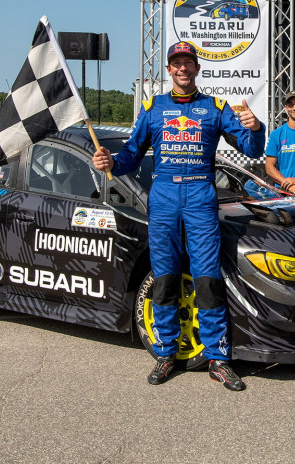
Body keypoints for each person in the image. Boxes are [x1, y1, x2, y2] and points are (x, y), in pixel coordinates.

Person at [92, 41, 265, 391]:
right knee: (166, 277)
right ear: (169, 70)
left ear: (197, 69)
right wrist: (110, 162)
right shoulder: (153, 107)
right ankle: (166, 353)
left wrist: (256, 126)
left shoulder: (215, 107)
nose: (183, 68)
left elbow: (251, 149)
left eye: (189, 63)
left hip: (201, 193)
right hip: (165, 195)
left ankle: (218, 358)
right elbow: (130, 155)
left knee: (207, 276)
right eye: (176, 63)